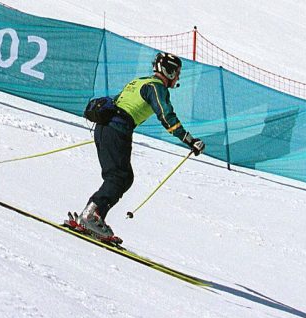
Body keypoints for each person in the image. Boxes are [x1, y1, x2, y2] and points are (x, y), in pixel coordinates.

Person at [66, 52, 205, 244]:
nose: (178, 77)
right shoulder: (157, 87)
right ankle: (91, 217)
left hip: (104, 127)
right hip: (117, 129)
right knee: (119, 177)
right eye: (177, 72)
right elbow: (166, 116)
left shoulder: (139, 81)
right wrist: (189, 140)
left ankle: (90, 217)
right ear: (169, 71)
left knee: (119, 176)